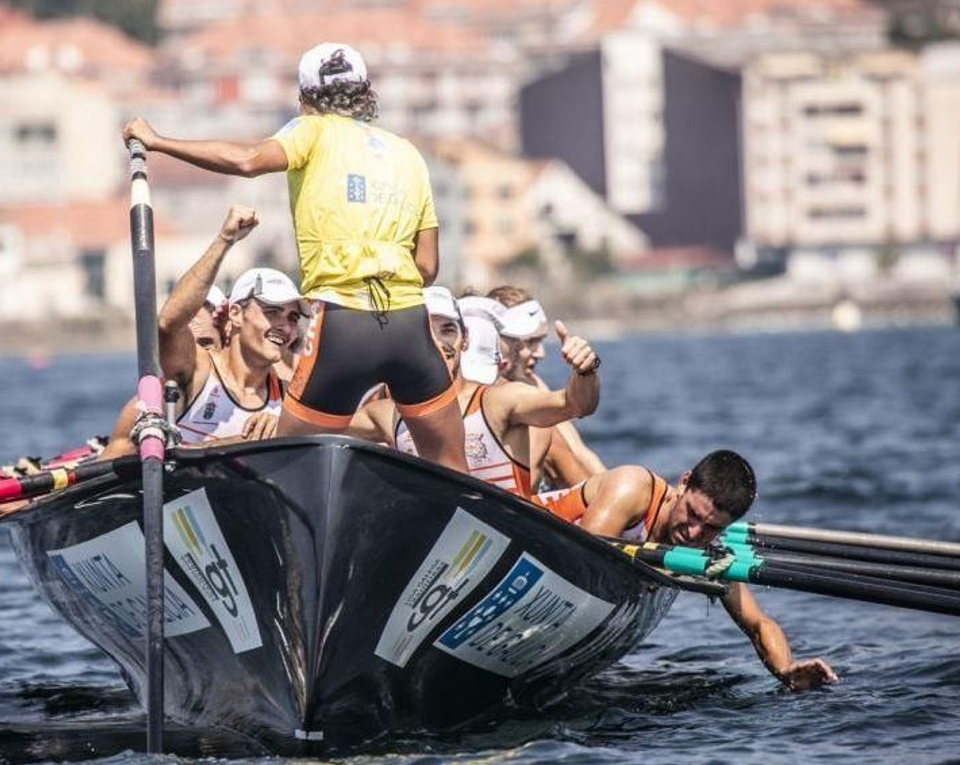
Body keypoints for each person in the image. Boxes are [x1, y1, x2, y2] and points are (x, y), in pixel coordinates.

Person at [122, 42, 465, 472]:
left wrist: (157, 142)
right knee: (451, 463)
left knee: (286, 465)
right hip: (410, 325)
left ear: (305, 99)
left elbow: (248, 161)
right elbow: (427, 267)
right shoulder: (409, 155)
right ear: (366, 92)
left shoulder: (311, 130)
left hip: (342, 326)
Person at [541, 449, 839, 690]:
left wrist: (787, 670)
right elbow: (584, 560)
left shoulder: (707, 554)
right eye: (693, 514)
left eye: (711, 528)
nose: (694, 533)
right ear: (683, 483)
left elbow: (758, 624)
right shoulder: (633, 488)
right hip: (530, 539)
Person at [101, 206, 308, 457]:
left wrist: (286, 429)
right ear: (235, 314)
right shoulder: (198, 371)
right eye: (272, 312)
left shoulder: (290, 397)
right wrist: (225, 240)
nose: (285, 326)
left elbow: (350, 425)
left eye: (293, 317)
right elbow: (168, 324)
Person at [351, 299, 602, 499]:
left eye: (448, 330)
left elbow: (577, 405)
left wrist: (585, 370)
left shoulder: (501, 400)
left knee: (623, 481)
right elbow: (327, 429)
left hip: (504, 531)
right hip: (435, 529)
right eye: (426, 332)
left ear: (465, 339)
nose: (439, 343)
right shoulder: (388, 414)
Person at [488, 285, 606, 486]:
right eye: (531, 342)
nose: (541, 353)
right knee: (546, 435)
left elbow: (580, 452)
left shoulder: (532, 383)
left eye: (541, 341)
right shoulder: (475, 385)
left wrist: (587, 368)